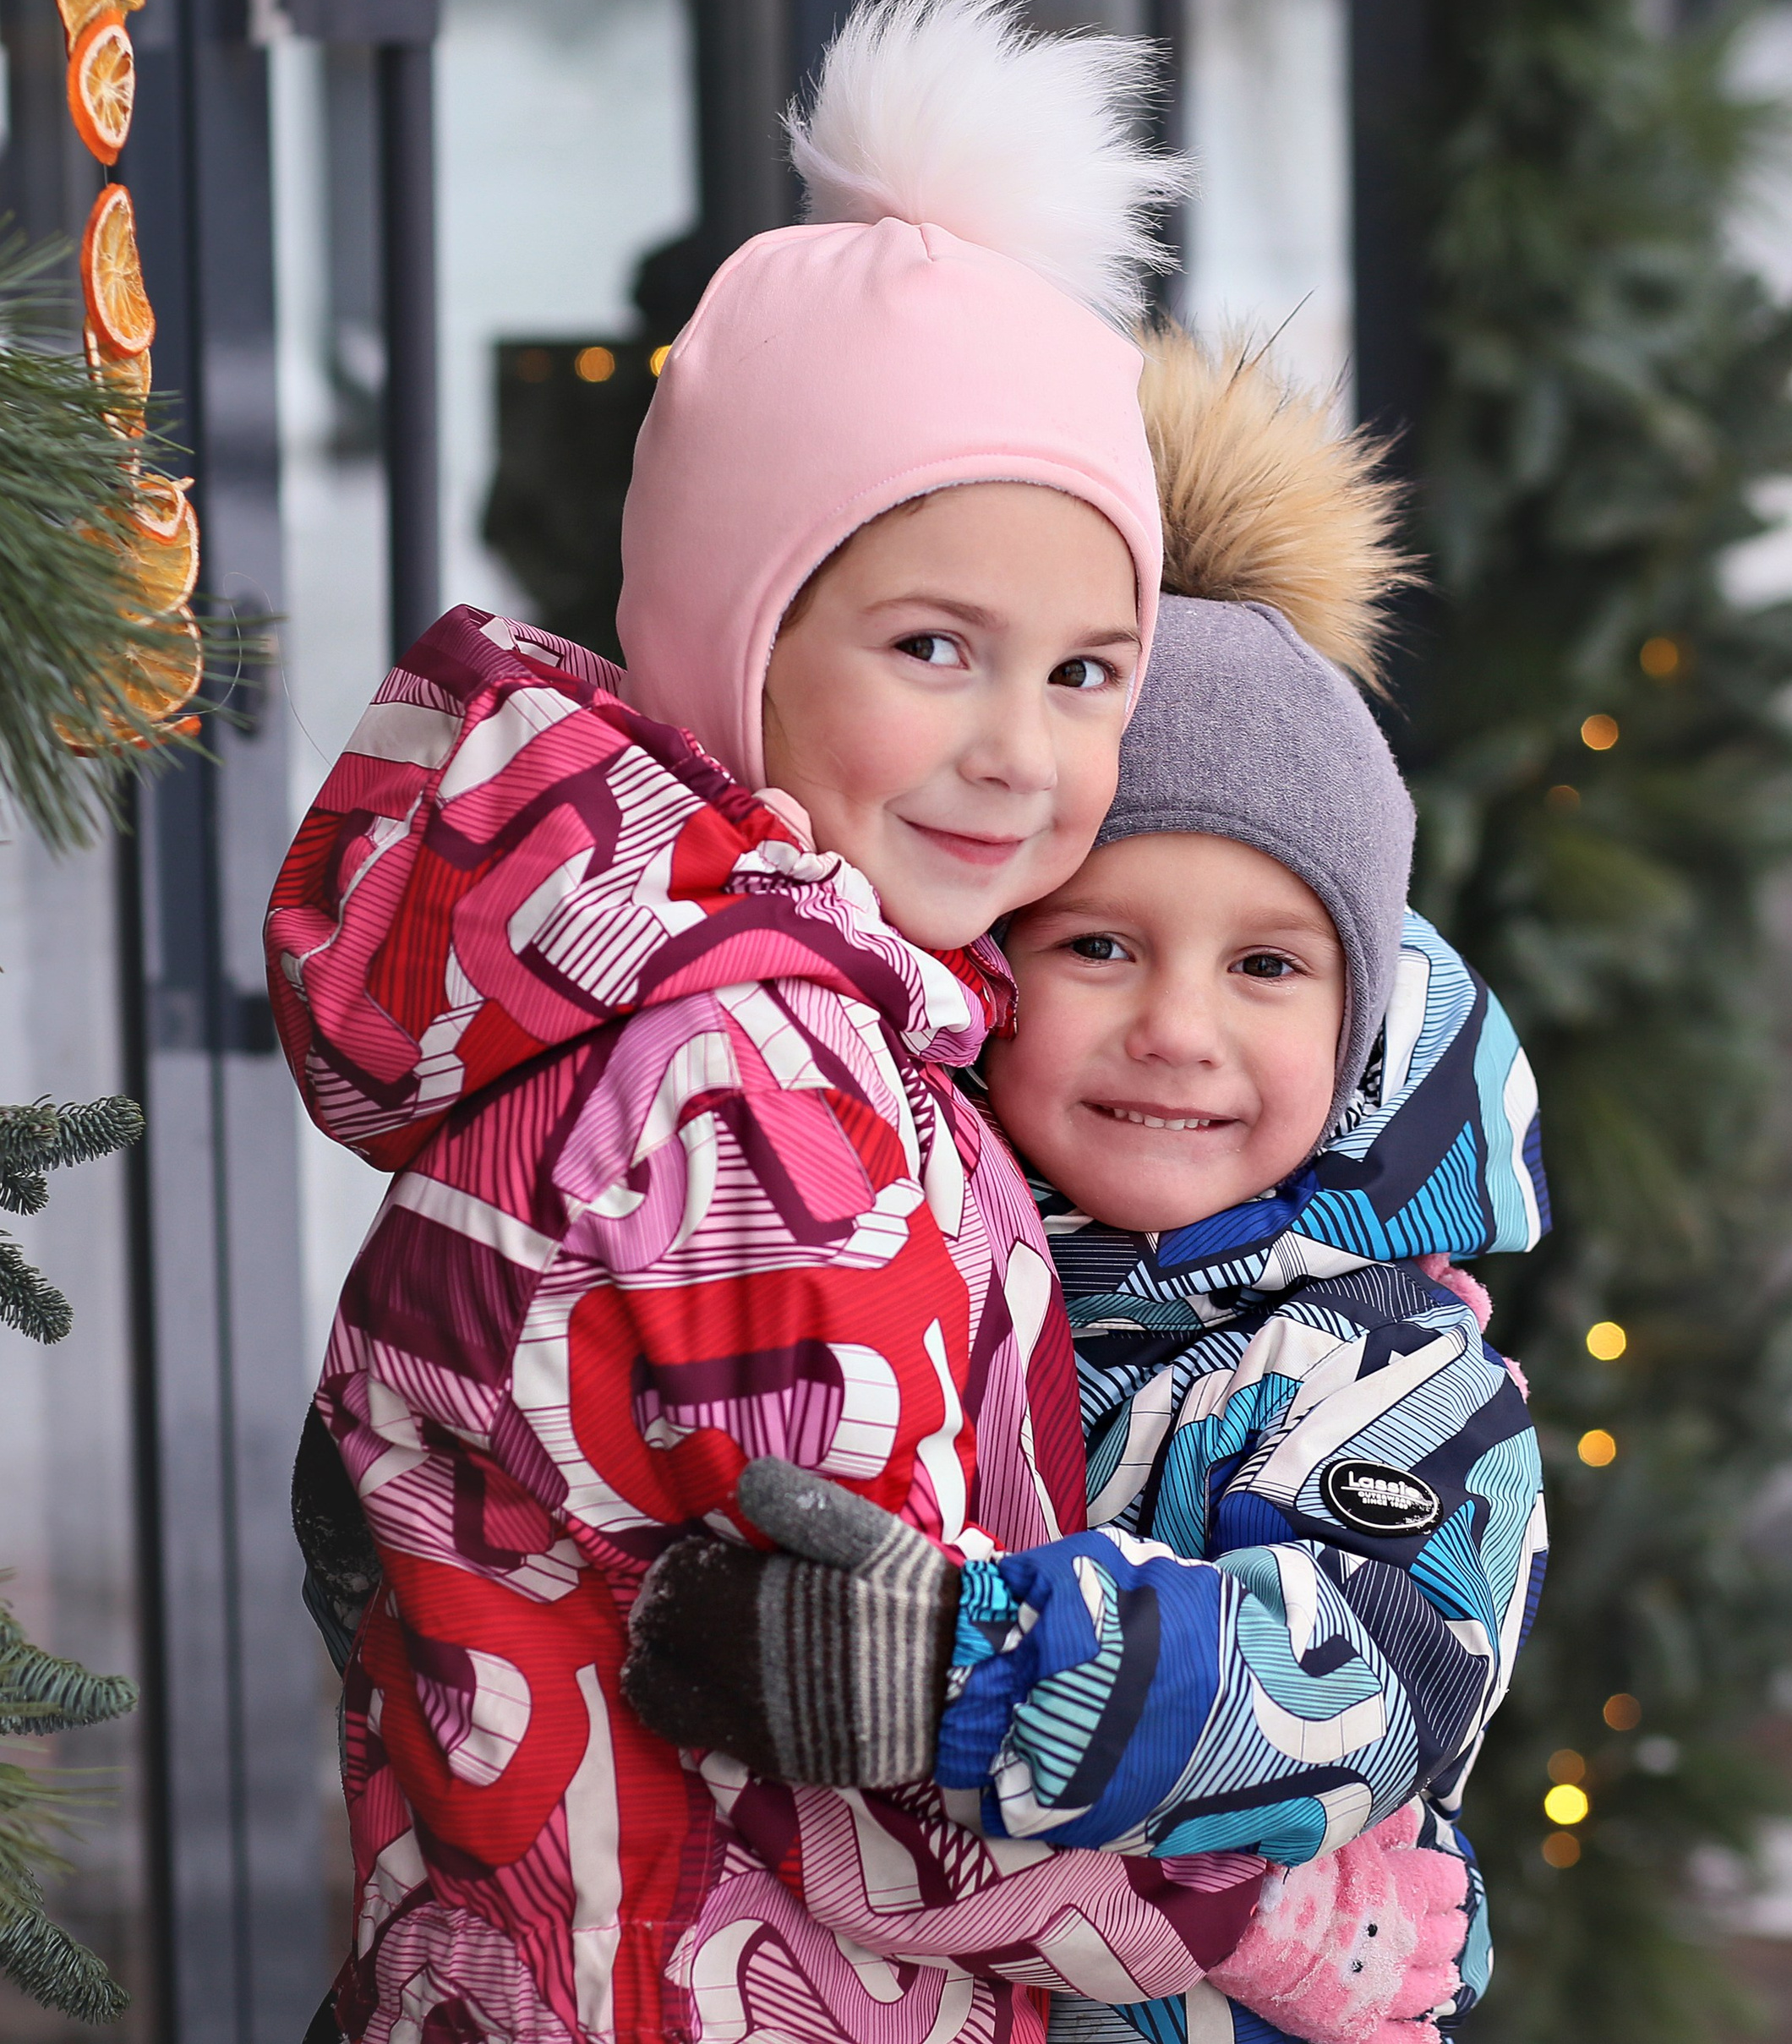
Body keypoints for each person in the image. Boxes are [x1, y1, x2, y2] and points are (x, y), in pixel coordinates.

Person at [267, 0, 1279, 2044]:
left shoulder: (642, 981)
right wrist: (1307, 1910)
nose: (1019, 749)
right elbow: (886, 1752)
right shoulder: (755, 1082)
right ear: (741, 638)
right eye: (933, 645)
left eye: (1086, 670)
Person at [623, 332, 1549, 2044]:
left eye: (1267, 966)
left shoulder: (1383, 1371)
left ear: (1362, 1026)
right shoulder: (876, 1230)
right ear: (983, 962)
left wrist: (964, 1678)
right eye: (1100, 945)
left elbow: (1364, 1670)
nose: (1175, 1030)